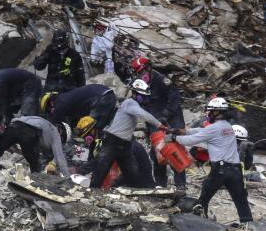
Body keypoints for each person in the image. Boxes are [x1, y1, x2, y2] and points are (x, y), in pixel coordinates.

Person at [170, 97, 253, 225]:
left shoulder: (214, 128)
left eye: (210, 111)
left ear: (216, 112)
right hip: (236, 171)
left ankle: (200, 223)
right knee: (241, 200)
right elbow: (202, 131)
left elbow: (192, 140)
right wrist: (184, 131)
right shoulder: (228, 127)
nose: (208, 114)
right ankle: (249, 226)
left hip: (220, 170)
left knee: (204, 197)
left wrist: (174, 137)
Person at [90, 79, 166, 189]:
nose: (143, 98)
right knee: (102, 168)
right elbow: (142, 114)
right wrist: (159, 125)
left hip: (124, 144)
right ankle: (92, 191)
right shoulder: (130, 103)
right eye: (141, 95)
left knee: (132, 172)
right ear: (134, 93)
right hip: (112, 141)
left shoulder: (134, 106)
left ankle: (140, 192)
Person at [132, 57, 187, 189]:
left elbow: (174, 99)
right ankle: (160, 185)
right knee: (157, 153)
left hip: (171, 120)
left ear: (149, 68)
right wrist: (148, 126)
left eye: (143, 71)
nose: (141, 75)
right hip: (154, 121)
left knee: (173, 150)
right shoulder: (140, 84)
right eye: (138, 73)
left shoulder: (162, 80)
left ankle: (180, 185)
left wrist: (166, 115)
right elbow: (143, 104)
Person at [77, 125, 155, 188]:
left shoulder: (129, 148)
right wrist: (81, 170)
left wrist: (114, 184)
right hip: (137, 184)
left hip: (142, 187)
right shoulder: (124, 145)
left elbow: (130, 172)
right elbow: (98, 160)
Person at [0, 117, 72, 177]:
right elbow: (60, 159)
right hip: (28, 132)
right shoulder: (55, 134)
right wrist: (68, 178)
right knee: (34, 164)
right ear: (62, 134)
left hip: (13, 126)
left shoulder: (44, 123)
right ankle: (36, 183)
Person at [48, 84, 117, 140]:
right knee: (103, 127)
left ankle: (94, 149)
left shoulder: (60, 101)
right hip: (108, 95)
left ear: (51, 103)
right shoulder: (69, 98)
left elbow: (53, 122)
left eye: (48, 109)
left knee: (90, 126)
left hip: (101, 98)